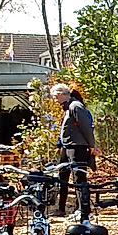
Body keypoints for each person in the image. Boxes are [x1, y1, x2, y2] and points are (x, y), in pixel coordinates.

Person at [51, 83, 100, 220]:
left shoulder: (75, 106)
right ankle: (63, 208)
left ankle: (84, 210)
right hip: (68, 146)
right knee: (64, 176)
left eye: (55, 97)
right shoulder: (68, 108)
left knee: (79, 178)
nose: (55, 100)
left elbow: (86, 127)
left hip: (77, 147)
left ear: (61, 94)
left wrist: (91, 146)